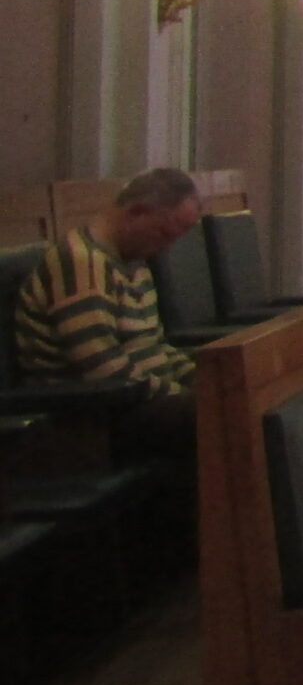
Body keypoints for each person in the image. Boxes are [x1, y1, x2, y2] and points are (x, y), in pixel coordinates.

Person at [13, 167, 203, 467]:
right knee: (216, 416)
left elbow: (154, 347)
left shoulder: (134, 263)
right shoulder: (81, 264)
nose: (165, 248)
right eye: (163, 234)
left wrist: (202, 378)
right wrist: (185, 394)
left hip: (135, 404)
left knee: (235, 401)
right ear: (137, 212)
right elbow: (104, 371)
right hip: (85, 420)